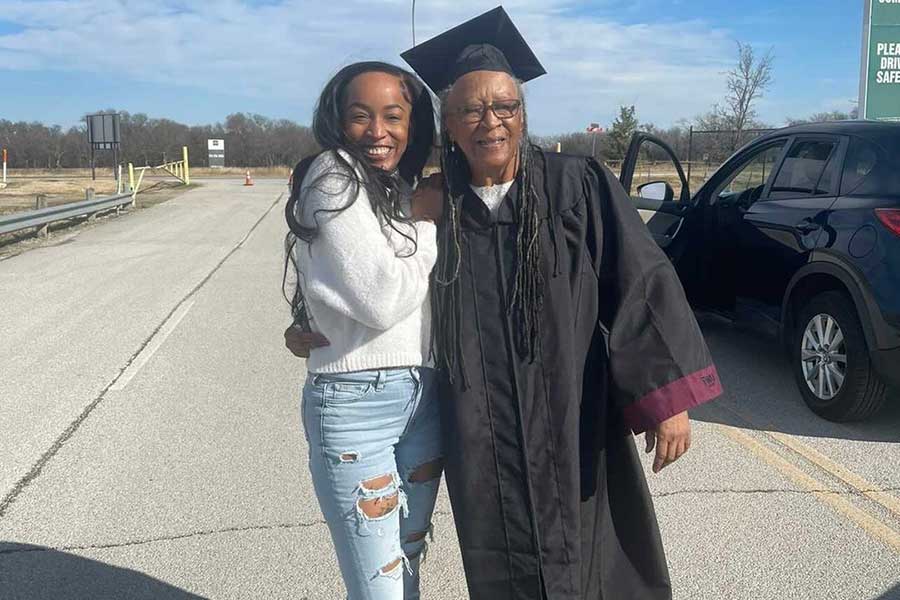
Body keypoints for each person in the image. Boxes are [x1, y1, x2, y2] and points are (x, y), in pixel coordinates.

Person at [398, 7, 724, 600]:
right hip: (481, 427)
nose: (490, 121)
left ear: (523, 114)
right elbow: (370, 276)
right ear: (448, 123)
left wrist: (666, 398)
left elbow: (640, 279)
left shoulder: (575, 186)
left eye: (505, 106)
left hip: (574, 415)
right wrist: (313, 322)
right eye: (471, 110)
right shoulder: (434, 205)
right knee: (500, 557)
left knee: (595, 556)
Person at [282, 61, 444, 600]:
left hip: (423, 397)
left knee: (406, 561)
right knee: (379, 585)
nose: (378, 131)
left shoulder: (396, 187)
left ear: (412, 125)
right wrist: (426, 221)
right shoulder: (333, 175)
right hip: (357, 405)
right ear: (337, 121)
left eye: (393, 116)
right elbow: (381, 300)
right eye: (361, 116)